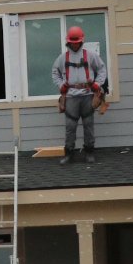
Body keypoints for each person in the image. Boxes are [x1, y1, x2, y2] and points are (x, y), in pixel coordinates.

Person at [52, 25, 108, 164]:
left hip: (88, 95)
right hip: (70, 97)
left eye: (77, 42)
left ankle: (89, 152)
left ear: (81, 41)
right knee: (70, 127)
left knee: (88, 124)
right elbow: (55, 72)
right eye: (73, 42)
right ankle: (69, 154)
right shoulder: (62, 58)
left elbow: (101, 69)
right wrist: (61, 85)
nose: (75, 44)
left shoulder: (90, 55)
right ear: (68, 42)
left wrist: (97, 84)